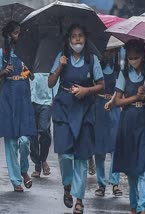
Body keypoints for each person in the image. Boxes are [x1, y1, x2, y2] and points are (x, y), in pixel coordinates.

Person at [48, 24, 104, 214]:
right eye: (74, 36)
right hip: (63, 107)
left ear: (85, 38)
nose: (77, 39)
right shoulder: (62, 57)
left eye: (80, 36)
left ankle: (79, 199)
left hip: (85, 109)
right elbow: (50, 82)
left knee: (81, 156)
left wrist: (86, 90)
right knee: (64, 154)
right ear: (69, 40)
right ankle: (67, 186)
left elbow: (101, 85)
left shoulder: (92, 59)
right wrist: (59, 67)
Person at [113, 39, 145, 214]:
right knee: (131, 167)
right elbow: (118, 101)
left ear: (143, 55)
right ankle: (133, 204)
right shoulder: (124, 74)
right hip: (129, 121)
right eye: (130, 57)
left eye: (137, 56)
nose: (134, 60)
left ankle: (142, 207)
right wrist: (135, 98)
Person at [0, 21, 36, 192]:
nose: (18, 36)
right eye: (15, 33)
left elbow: (35, 76)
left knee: (24, 141)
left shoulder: (26, 51)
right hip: (7, 97)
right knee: (11, 142)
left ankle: (23, 169)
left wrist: (30, 70)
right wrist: (2, 72)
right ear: (8, 35)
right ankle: (16, 180)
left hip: (23, 96)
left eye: (19, 32)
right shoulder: (2, 53)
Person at [93, 46, 123, 197]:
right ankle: (101, 184)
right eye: (106, 50)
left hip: (115, 109)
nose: (109, 53)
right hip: (98, 108)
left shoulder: (119, 69)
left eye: (112, 50)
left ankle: (115, 182)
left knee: (115, 147)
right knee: (99, 150)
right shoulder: (94, 67)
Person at [30, 37, 60, 178]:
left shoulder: (58, 49)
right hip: (33, 96)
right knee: (33, 134)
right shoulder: (31, 48)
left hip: (47, 99)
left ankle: (43, 159)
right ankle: (38, 164)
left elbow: (57, 76)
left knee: (44, 130)